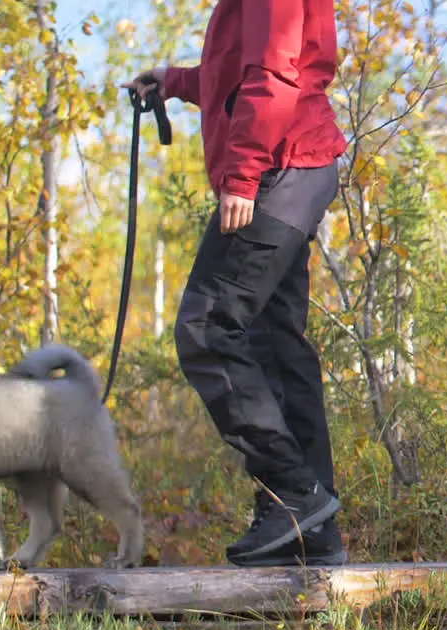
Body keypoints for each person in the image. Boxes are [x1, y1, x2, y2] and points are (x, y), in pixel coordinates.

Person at [125, 0, 349, 566]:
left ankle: (294, 494)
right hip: (298, 165)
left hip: (279, 165)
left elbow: (273, 73)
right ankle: (311, 530)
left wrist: (243, 175)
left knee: (206, 328)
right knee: (274, 342)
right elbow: (241, 72)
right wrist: (175, 82)